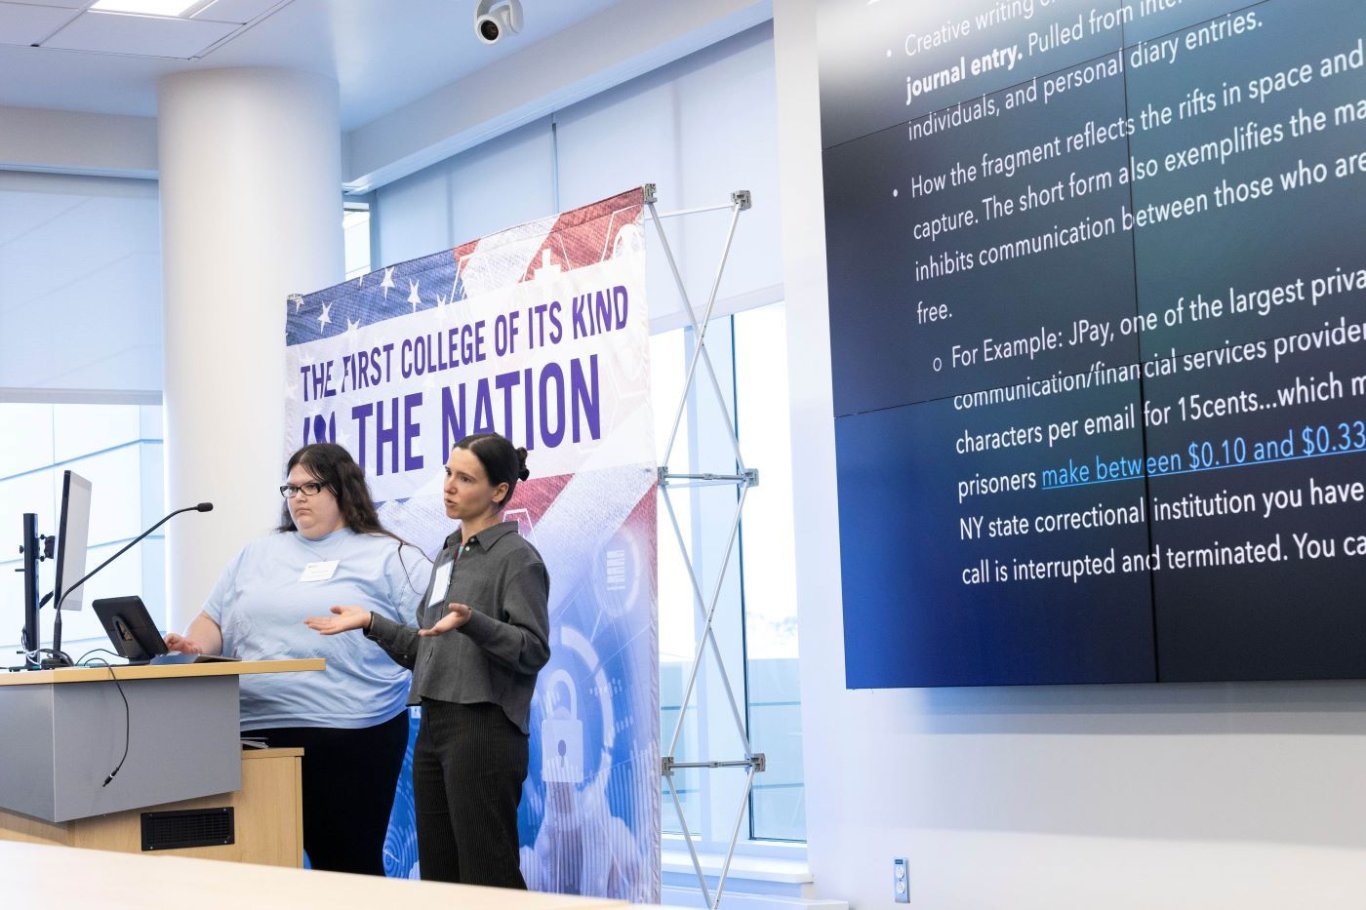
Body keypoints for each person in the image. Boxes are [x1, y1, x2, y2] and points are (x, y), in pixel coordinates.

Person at [164, 442, 428, 876]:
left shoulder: (389, 555)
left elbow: (430, 631)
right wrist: (193, 647)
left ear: (343, 489)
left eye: (312, 486)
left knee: (346, 867)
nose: (297, 497)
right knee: (256, 864)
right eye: (290, 488)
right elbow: (213, 619)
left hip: (349, 733)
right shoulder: (257, 555)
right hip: (252, 734)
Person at [306, 432, 551, 888]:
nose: (449, 487)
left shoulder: (517, 559)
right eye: (447, 474)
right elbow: (426, 649)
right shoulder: (447, 554)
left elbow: (533, 649)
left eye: (465, 478)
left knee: (487, 874)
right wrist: (371, 622)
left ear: (499, 491)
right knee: (440, 877)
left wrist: (474, 621)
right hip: (435, 724)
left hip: (484, 727)